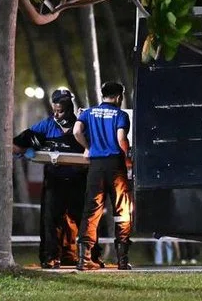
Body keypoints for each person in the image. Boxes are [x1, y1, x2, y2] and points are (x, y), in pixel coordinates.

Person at [13, 88, 102, 269]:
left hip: (79, 180)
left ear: (69, 108)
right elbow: (16, 144)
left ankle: (87, 256)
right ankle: (50, 257)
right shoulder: (46, 125)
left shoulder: (82, 126)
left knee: (85, 220)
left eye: (60, 111)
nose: (56, 114)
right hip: (55, 180)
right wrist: (29, 150)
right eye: (54, 110)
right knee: (50, 219)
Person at [74, 81, 133, 270]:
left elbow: (76, 131)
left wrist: (88, 147)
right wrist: (127, 156)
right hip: (115, 166)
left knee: (91, 210)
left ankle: (84, 259)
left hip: (96, 167)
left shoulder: (88, 113)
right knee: (122, 210)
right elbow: (121, 138)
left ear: (103, 95)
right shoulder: (121, 115)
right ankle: (122, 260)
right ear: (119, 97)